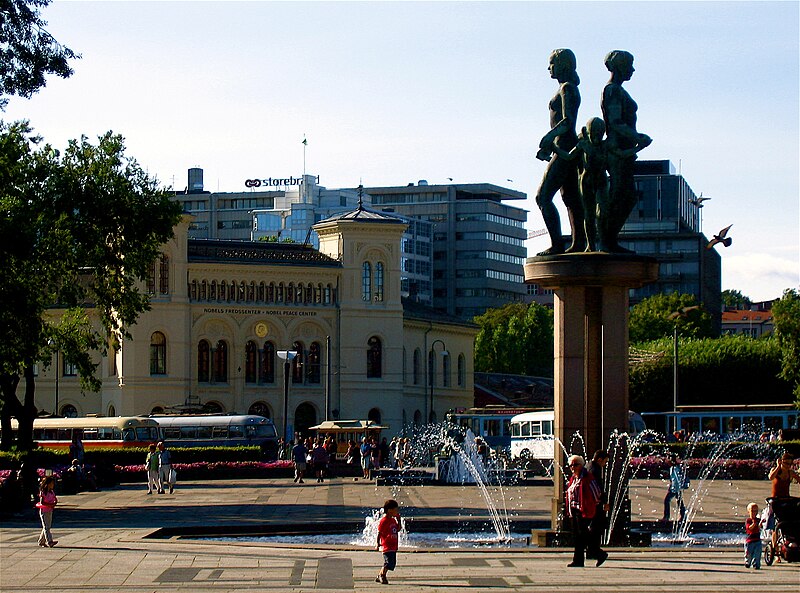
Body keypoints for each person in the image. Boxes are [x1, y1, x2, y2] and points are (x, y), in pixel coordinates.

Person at [551, 117, 651, 251]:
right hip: (586, 182)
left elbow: (621, 154)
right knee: (588, 215)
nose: (596, 137)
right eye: (594, 133)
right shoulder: (583, 145)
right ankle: (590, 246)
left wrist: (639, 148)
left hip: (601, 182)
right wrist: (553, 148)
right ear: (589, 132)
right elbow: (569, 156)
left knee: (602, 213)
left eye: (599, 133)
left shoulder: (607, 145)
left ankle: (603, 243)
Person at [599, 50, 652, 253]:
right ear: (620, 66)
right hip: (617, 150)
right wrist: (637, 137)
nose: (632, 69)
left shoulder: (617, 90)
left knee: (625, 196)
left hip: (625, 150)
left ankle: (609, 239)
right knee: (620, 195)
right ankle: (607, 240)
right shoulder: (612, 90)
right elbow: (615, 122)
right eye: (629, 65)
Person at [534, 48, 585, 255]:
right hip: (562, 146)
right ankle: (578, 243)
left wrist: (548, 137)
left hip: (564, 147)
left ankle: (557, 244)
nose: (549, 68)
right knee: (571, 198)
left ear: (562, 65)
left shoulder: (567, 89)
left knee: (543, 197)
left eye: (552, 63)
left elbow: (568, 122)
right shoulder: (567, 88)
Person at [564, 454, 606, 567]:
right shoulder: (573, 478)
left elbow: (596, 492)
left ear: (582, 465)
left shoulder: (587, 477)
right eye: (571, 465)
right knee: (578, 537)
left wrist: (595, 505)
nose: (573, 467)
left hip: (584, 510)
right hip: (574, 510)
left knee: (583, 535)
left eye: (575, 464)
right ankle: (579, 560)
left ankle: (598, 553)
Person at [766, 453, 800, 553]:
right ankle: (774, 547)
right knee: (777, 525)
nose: (787, 466)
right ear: (781, 462)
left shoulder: (791, 473)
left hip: (786, 499)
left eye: (789, 464)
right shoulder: (776, 471)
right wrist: (777, 466)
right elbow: (771, 477)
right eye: (786, 463)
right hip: (776, 500)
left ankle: (793, 539)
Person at [587, 449, 610, 559]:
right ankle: (594, 550)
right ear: (599, 459)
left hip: (590, 502)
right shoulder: (595, 469)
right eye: (604, 462)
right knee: (596, 527)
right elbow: (598, 487)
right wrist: (604, 502)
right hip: (595, 503)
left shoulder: (588, 466)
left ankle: (592, 550)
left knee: (594, 527)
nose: (605, 465)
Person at [375, 499, 401, 584]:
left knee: (392, 564)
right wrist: (377, 543)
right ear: (390, 510)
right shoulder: (384, 521)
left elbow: (398, 529)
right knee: (388, 562)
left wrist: (399, 520)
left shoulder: (393, 520)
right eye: (395, 510)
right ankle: (382, 575)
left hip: (393, 546)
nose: (397, 511)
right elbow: (379, 532)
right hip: (387, 546)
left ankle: (380, 575)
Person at [661, 454, 688, 522]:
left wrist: (673, 489)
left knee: (667, 501)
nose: (667, 461)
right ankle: (683, 516)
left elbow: (676, 480)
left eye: (668, 459)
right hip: (676, 488)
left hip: (675, 488)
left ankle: (666, 517)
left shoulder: (675, 468)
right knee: (679, 502)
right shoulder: (674, 468)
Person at [36, 476, 58, 547]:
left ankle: (41, 541)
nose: (53, 485)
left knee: (47, 526)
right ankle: (49, 541)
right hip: (44, 511)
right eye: (51, 483)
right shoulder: (43, 492)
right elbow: (42, 502)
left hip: (50, 510)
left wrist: (54, 503)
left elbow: (55, 499)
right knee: (46, 527)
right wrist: (50, 504)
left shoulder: (51, 492)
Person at [744, 502, 761, 569]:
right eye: (752, 511)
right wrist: (754, 524)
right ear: (748, 512)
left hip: (757, 539)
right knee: (749, 553)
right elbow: (749, 528)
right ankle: (748, 562)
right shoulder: (748, 520)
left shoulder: (757, 520)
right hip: (750, 540)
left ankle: (756, 564)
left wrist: (761, 523)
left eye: (756, 511)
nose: (754, 513)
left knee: (757, 553)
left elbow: (759, 527)